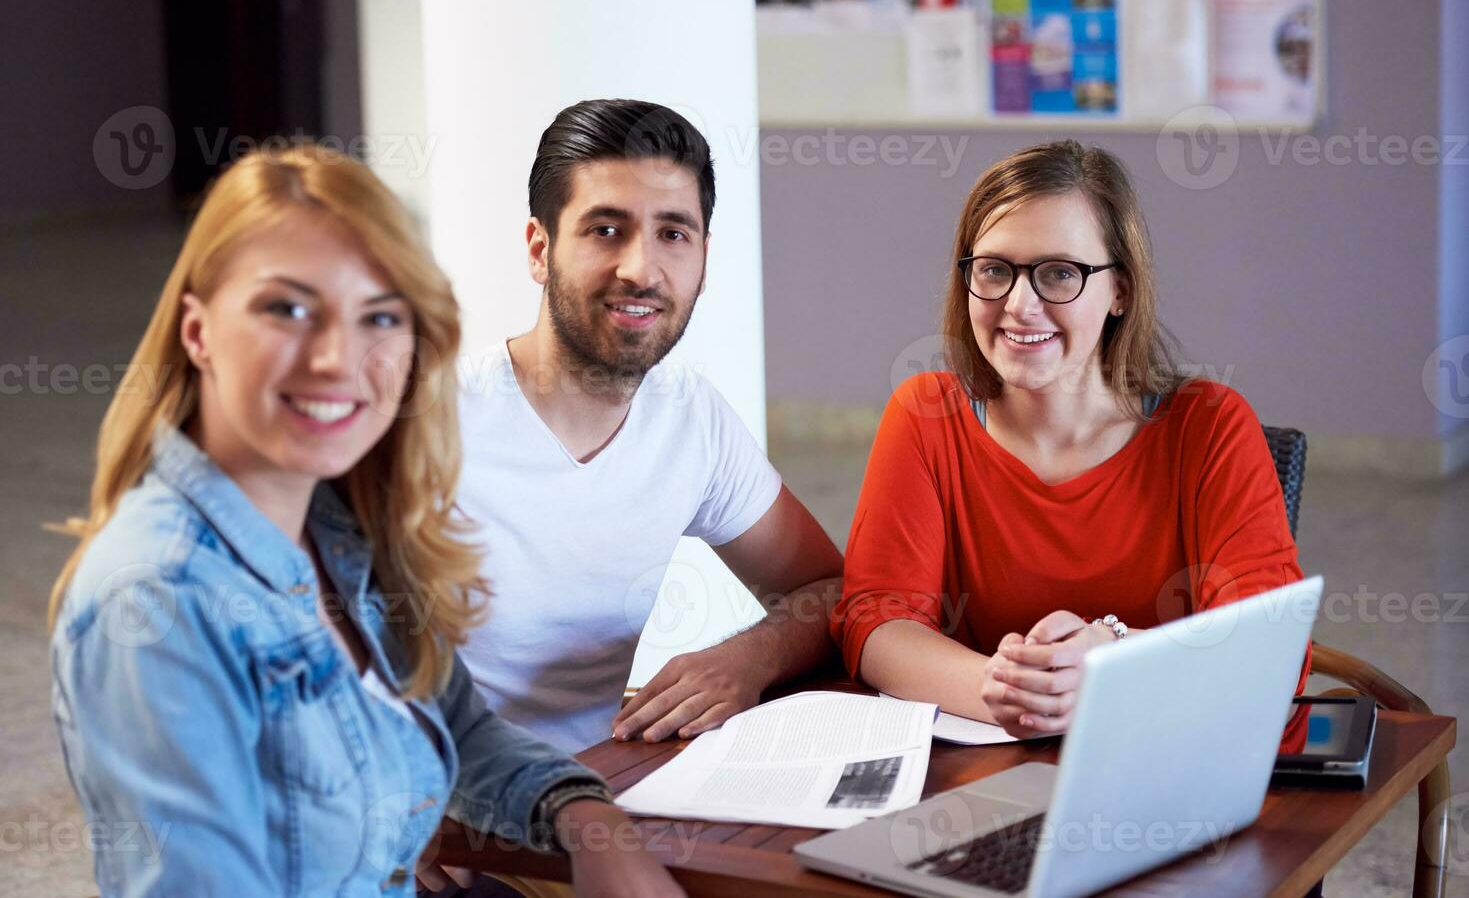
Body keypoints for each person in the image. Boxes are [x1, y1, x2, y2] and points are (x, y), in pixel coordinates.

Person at [48, 145, 682, 896]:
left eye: (378, 316)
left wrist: (588, 821)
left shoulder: (336, 521)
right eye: (286, 309)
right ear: (197, 331)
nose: (335, 359)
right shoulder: (160, 601)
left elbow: (455, 722)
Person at [831, 140, 1309, 739]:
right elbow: (877, 623)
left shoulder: (1210, 425)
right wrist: (1007, 691)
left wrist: (1109, 659)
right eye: (995, 270)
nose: (1019, 305)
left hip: (1167, 758)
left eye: (1060, 273)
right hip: (981, 771)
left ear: (1120, 292)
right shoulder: (925, 415)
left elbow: (1268, 650)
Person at [455, 99, 844, 753]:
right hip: (421, 833)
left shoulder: (690, 416)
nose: (640, 269)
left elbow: (828, 591)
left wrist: (750, 657)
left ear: (702, 256)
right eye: (605, 229)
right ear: (539, 249)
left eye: (672, 233)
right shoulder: (423, 422)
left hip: (583, 808)